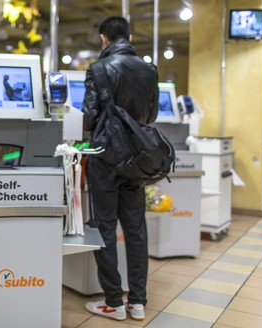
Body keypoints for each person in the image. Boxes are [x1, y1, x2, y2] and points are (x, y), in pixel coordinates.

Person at [82, 16, 158, 321]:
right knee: (136, 228)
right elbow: (150, 114)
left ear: (104, 39)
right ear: (130, 37)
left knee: (105, 228)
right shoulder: (149, 70)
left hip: (105, 158)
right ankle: (137, 301)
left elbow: (89, 118)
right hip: (137, 158)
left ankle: (113, 301)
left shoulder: (98, 69)